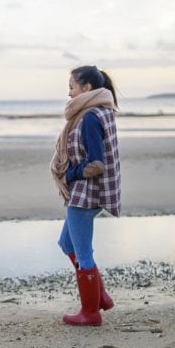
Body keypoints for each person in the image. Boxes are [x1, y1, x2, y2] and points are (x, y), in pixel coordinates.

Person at [50, 65, 121, 326]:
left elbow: (96, 164)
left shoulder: (90, 116)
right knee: (67, 245)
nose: (69, 93)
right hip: (86, 195)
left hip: (85, 195)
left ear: (86, 88)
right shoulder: (98, 110)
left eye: (71, 87)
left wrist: (69, 174)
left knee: (83, 255)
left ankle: (90, 313)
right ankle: (99, 295)